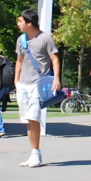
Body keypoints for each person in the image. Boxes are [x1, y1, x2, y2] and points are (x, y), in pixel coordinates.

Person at [15, 9, 60, 168]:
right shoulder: (21, 40)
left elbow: (54, 59)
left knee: (34, 117)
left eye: (20, 21)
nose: (18, 24)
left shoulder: (45, 38)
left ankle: (36, 154)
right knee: (28, 120)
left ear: (29, 23)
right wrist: (16, 81)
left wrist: (57, 79)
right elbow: (19, 61)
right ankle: (34, 152)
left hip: (38, 84)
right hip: (23, 84)